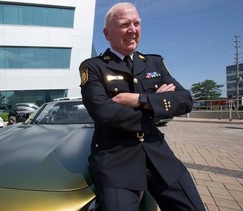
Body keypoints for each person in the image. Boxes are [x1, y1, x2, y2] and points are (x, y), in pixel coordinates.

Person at [79, 2, 205, 211]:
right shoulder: (93, 67)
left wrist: (140, 100)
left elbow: (185, 100)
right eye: (124, 24)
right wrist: (158, 107)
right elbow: (104, 113)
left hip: (158, 154)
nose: (132, 30)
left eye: (136, 23)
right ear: (106, 33)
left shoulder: (154, 63)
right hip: (116, 159)